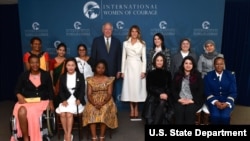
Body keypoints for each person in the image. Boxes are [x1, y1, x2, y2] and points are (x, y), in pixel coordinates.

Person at [10, 54, 54, 141]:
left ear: (39, 63)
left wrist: (51, 102)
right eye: (32, 63)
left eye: (37, 62)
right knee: (21, 111)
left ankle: (34, 136)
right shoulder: (23, 75)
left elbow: (50, 90)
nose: (35, 65)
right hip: (26, 101)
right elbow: (17, 89)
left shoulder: (46, 75)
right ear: (29, 64)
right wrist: (19, 95)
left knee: (32, 112)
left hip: (42, 101)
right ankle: (26, 137)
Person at [82, 59, 118, 141]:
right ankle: (94, 137)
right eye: (98, 67)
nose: (100, 69)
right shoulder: (90, 79)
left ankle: (102, 136)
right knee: (91, 111)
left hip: (106, 100)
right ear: (95, 68)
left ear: (105, 69)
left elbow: (109, 94)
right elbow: (89, 94)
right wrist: (94, 104)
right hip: (93, 100)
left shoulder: (109, 79)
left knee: (104, 111)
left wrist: (102, 103)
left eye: (103, 68)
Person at [120, 25, 147, 119]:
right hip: (128, 67)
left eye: (136, 31)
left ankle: (137, 108)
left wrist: (143, 71)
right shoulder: (125, 43)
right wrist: (122, 71)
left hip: (138, 67)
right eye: (132, 31)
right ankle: (132, 109)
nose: (134, 33)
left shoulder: (142, 43)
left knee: (137, 88)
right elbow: (123, 58)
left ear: (138, 33)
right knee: (130, 88)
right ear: (130, 33)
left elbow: (144, 58)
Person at [55, 57, 86, 141]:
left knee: (68, 114)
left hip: (76, 100)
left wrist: (79, 99)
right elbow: (61, 91)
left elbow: (83, 90)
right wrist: (63, 100)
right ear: (66, 66)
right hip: (66, 99)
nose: (70, 67)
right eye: (68, 65)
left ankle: (68, 136)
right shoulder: (62, 77)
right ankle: (66, 133)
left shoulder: (80, 76)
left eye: (72, 65)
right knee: (62, 114)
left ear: (75, 66)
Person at [91, 22, 122, 101]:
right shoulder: (96, 41)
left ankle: (112, 111)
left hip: (113, 71)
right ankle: (101, 112)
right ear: (102, 30)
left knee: (112, 92)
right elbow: (93, 56)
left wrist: (119, 70)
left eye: (109, 29)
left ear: (112, 30)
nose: (107, 31)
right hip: (100, 71)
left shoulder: (117, 42)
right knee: (100, 92)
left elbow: (119, 57)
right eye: (106, 29)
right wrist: (94, 70)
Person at [196, 40, 225, 124]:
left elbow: (223, 70)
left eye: (211, 45)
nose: (209, 47)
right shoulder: (201, 57)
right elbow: (199, 71)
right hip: (205, 78)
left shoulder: (220, 56)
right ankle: (208, 106)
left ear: (214, 46)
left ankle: (216, 108)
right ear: (205, 48)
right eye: (207, 46)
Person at [142, 53, 173, 124]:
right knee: (160, 103)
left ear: (164, 62)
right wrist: (159, 94)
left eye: (161, 60)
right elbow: (149, 88)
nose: (159, 62)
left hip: (165, 95)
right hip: (154, 95)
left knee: (162, 102)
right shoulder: (150, 73)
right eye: (157, 60)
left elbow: (170, 87)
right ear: (154, 62)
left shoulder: (168, 73)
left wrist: (166, 94)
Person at [204, 57, 237, 125]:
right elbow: (207, 91)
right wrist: (216, 102)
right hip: (213, 101)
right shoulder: (208, 75)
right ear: (214, 65)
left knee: (225, 117)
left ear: (224, 64)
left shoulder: (230, 75)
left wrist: (227, 103)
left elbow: (233, 92)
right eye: (217, 64)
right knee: (215, 116)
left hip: (226, 101)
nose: (219, 66)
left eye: (221, 64)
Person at [172, 56, 204, 124]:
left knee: (189, 110)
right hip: (180, 99)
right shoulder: (177, 75)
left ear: (193, 65)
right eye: (186, 63)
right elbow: (173, 89)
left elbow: (201, 90)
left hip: (193, 100)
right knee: (179, 110)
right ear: (183, 64)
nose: (188, 65)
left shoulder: (197, 75)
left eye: (190, 63)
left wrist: (192, 100)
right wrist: (178, 99)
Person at [49, 42, 67, 107]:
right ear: (57, 50)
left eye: (63, 50)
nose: (61, 52)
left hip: (64, 84)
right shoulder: (52, 61)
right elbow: (51, 73)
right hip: (55, 84)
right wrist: (52, 84)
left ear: (65, 52)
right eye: (60, 50)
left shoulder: (67, 61)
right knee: (56, 101)